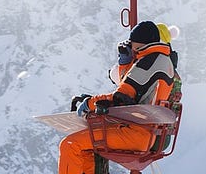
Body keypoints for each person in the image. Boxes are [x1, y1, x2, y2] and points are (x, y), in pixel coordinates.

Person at [58, 21, 180, 174]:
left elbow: (120, 96)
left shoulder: (150, 61)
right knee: (86, 148)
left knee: (70, 144)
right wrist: (127, 64)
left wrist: (89, 103)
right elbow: (133, 91)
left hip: (136, 133)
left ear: (138, 42)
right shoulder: (161, 60)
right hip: (144, 130)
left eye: (132, 43)